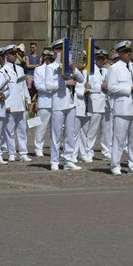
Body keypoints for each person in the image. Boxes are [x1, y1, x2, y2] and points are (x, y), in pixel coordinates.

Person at [108, 41, 133, 176]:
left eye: (129, 52)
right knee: (119, 138)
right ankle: (115, 164)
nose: (128, 54)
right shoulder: (114, 68)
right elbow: (111, 87)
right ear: (119, 53)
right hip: (122, 107)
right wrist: (129, 89)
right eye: (125, 52)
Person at [45, 39, 84, 171]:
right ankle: (54, 161)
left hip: (71, 102)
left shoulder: (70, 65)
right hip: (58, 103)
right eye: (63, 50)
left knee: (70, 133)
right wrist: (65, 84)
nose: (66, 52)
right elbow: (48, 85)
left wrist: (73, 68)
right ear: (56, 51)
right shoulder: (51, 68)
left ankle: (68, 160)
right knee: (56, 133)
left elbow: (82, 79)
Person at [2, 44, 32, 162]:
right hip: (10, 103)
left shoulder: (19, 69)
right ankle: (11, 153)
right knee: (9, 130)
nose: (15, 56)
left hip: (20, 103)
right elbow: (3, 89)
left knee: (22, 129)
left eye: (16, 54)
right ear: (6, 55)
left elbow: (23, 86)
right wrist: (5, 105)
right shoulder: (3, 70)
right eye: (12, 54)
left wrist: (28, 100)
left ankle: (23, 152)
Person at [89, 50, 112, 161]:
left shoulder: (108, 71)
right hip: (95, 102)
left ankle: (106, 151)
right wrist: (101, 86)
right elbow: (88, 86)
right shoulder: (90, 70)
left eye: (103, 59)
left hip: (107, 103)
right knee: (92, 129)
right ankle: (88, 151)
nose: (101, 60)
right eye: (99, 58)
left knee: (107, 130)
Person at [33, 49, 54, 157]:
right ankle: (38, 147)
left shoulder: (57, 68)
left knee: (56, 128)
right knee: (41, 126)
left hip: (56, 102)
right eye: (49, 58)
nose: (50, 60)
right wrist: (52, 89)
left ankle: (54, 148)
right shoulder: (39, 69)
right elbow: (38, 85)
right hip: (45, 101)